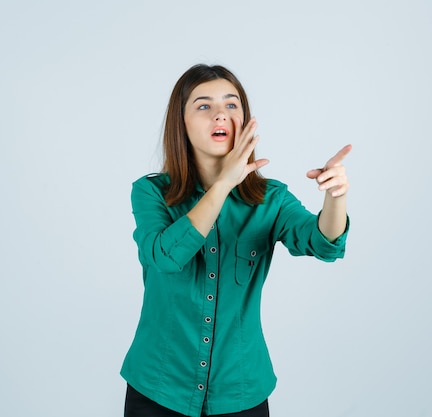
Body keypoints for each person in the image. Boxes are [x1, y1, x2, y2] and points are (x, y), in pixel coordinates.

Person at [121, 64, 351, 417]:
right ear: (180, 123)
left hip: (240, 393)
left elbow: (323, 243)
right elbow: (164, 256)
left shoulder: (270, 199)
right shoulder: (151, 193)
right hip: (158, 389)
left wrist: (335, 196)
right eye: (203, 105)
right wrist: (223, 184)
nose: (220, 115)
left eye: (231, 105)